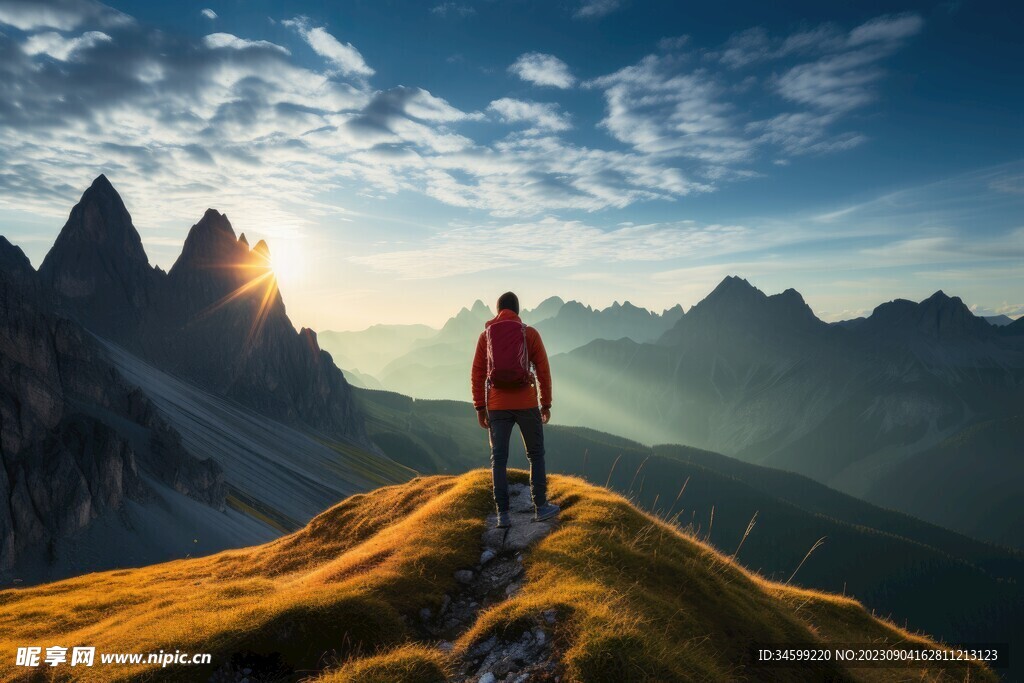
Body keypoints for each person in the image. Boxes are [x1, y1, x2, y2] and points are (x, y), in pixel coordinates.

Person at [471, 291, 559, 528]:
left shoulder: (486, 336)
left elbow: (478, 373)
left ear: (497, 311)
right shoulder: (529, 334)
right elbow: (543, 371)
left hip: (497, 406)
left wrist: (480, 407)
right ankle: (541, 507)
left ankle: (503, 515)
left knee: (498, 459)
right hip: (527, 403)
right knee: (535, 454)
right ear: (518, 311)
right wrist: (546, 403)